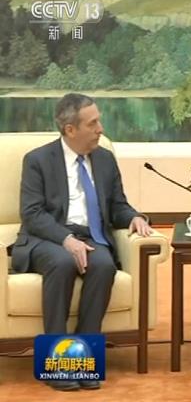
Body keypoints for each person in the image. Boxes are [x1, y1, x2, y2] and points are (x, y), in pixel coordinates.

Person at [11, 93, 153, 391]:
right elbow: (32, 214)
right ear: (70, 129)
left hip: (90, 236)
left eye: (99, 121)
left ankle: (83, 358)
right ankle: (56, 364)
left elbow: (117, 205)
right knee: (62, 263)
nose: (101, 129)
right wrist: (65, 239)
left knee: (103, 265)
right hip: (47, 237)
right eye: (93, 123)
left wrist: (134, 217)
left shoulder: (104, 159)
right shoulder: (38, 160)